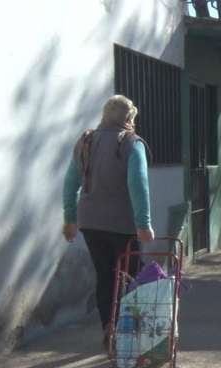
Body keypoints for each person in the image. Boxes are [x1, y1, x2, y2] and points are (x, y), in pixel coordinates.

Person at [62, 95, 154, 349]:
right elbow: (138, 184)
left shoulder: (85, 141)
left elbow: (70, 183)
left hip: (90, 223)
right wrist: (143, 223)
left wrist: (70, 219)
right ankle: (132, 332)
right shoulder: (132, 143)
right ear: (128, 118)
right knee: (132, 274)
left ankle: (109, 329)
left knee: (106, 276)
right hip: (123, 224)